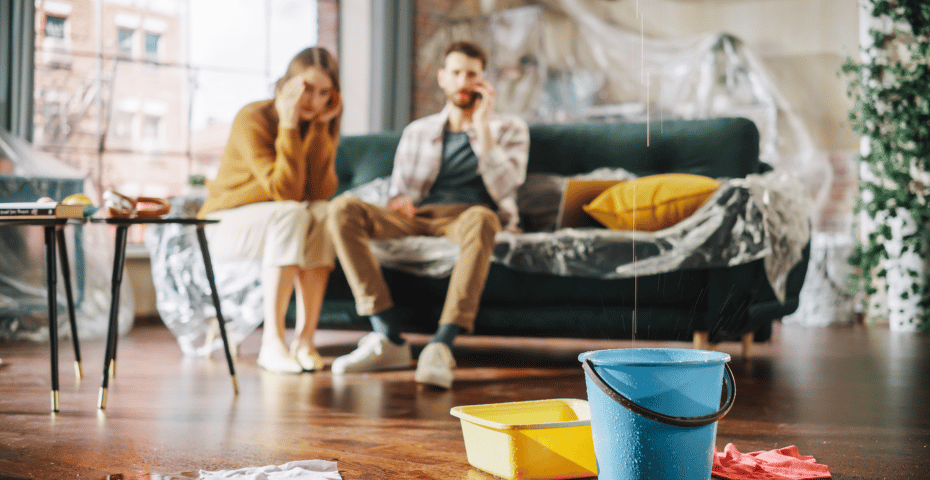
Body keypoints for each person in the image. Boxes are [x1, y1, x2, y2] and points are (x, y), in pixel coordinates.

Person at [327, 41, 529, 389]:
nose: (463, 81)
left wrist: (481, 128)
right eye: (456, 73)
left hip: (470, 217)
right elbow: (400, 192)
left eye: (472, 74)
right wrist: (399, 202)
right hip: (420, 216)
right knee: (341, 209)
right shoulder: (417, 131)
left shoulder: (508, 129)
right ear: (442, 78)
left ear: (483, 81)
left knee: (483, 218)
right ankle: (388, 336)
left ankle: (441, 345)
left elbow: (507, 186)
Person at [197, 46, 343, 374]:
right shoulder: (254, 117)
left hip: (278, 221)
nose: (313, 101)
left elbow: (319, 192)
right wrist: (289, 126)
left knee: (323, 213)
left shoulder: (317, 123)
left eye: (323, 93)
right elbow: (286, 192)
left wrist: (320, 128)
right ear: (283, 87)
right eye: (305, 89)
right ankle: (272, 343)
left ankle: (305, 340)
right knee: (292, 212)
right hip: (223, 224)